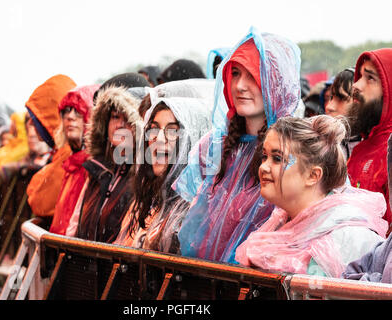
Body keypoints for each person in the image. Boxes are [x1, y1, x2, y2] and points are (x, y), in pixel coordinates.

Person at [175, 27, 301, 263]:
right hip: (205, 281)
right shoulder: (211, 148)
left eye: (252, 75)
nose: (240, 85)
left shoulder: (298, 152)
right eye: (234, 73)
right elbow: (192, 228)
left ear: (276, 83)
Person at [235, 115, 388, 278]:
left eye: (277, 159)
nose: (264, 167)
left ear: (313, 175)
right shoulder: (280, 222)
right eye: (264, 156)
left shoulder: (346, 239)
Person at [113, 79, 214, 253]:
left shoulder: (195, 210)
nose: (159, 139)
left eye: (172, 131)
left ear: (191, 141)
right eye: (153, 129)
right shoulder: (150, 198)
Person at [66, 85, 142, 243]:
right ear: (105, 124)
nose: (120, 125)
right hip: (81, 264)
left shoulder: (141, 178)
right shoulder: (96, 169)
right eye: (115, 117)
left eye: (127, 119)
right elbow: (73, 226)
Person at [346, 48, 392, 228]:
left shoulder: (389, 152)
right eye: (359, 77)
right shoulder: (360, 149)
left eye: (370, 78)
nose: (356, 85)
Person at [48, 84, 100, 235]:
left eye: (78, 111)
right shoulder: (70, 162)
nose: (70, 117)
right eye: (66, 111)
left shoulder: (94, 166)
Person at [25, 74, 77, 218]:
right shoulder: (65, 151)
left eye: (36, 118)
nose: (30, 125)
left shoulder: (69, 153)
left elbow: (40, 202)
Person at [0, 113, 51, 180]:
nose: (31, 137)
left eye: (35, 136)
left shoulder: (51, 157)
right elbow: (2, 171)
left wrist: (22, 166)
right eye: (29, 135)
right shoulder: (29, 156)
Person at [325, 67, 360, 159]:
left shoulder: (382, 152)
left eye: (341, 98)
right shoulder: (318, 148)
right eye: (331, 97)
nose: (329, 107)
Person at [0, 111, 29, 177]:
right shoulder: (13, 143)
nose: (11, 125)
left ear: (19, 125)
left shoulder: (24, 147)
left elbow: (0, 167)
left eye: (13, 122)